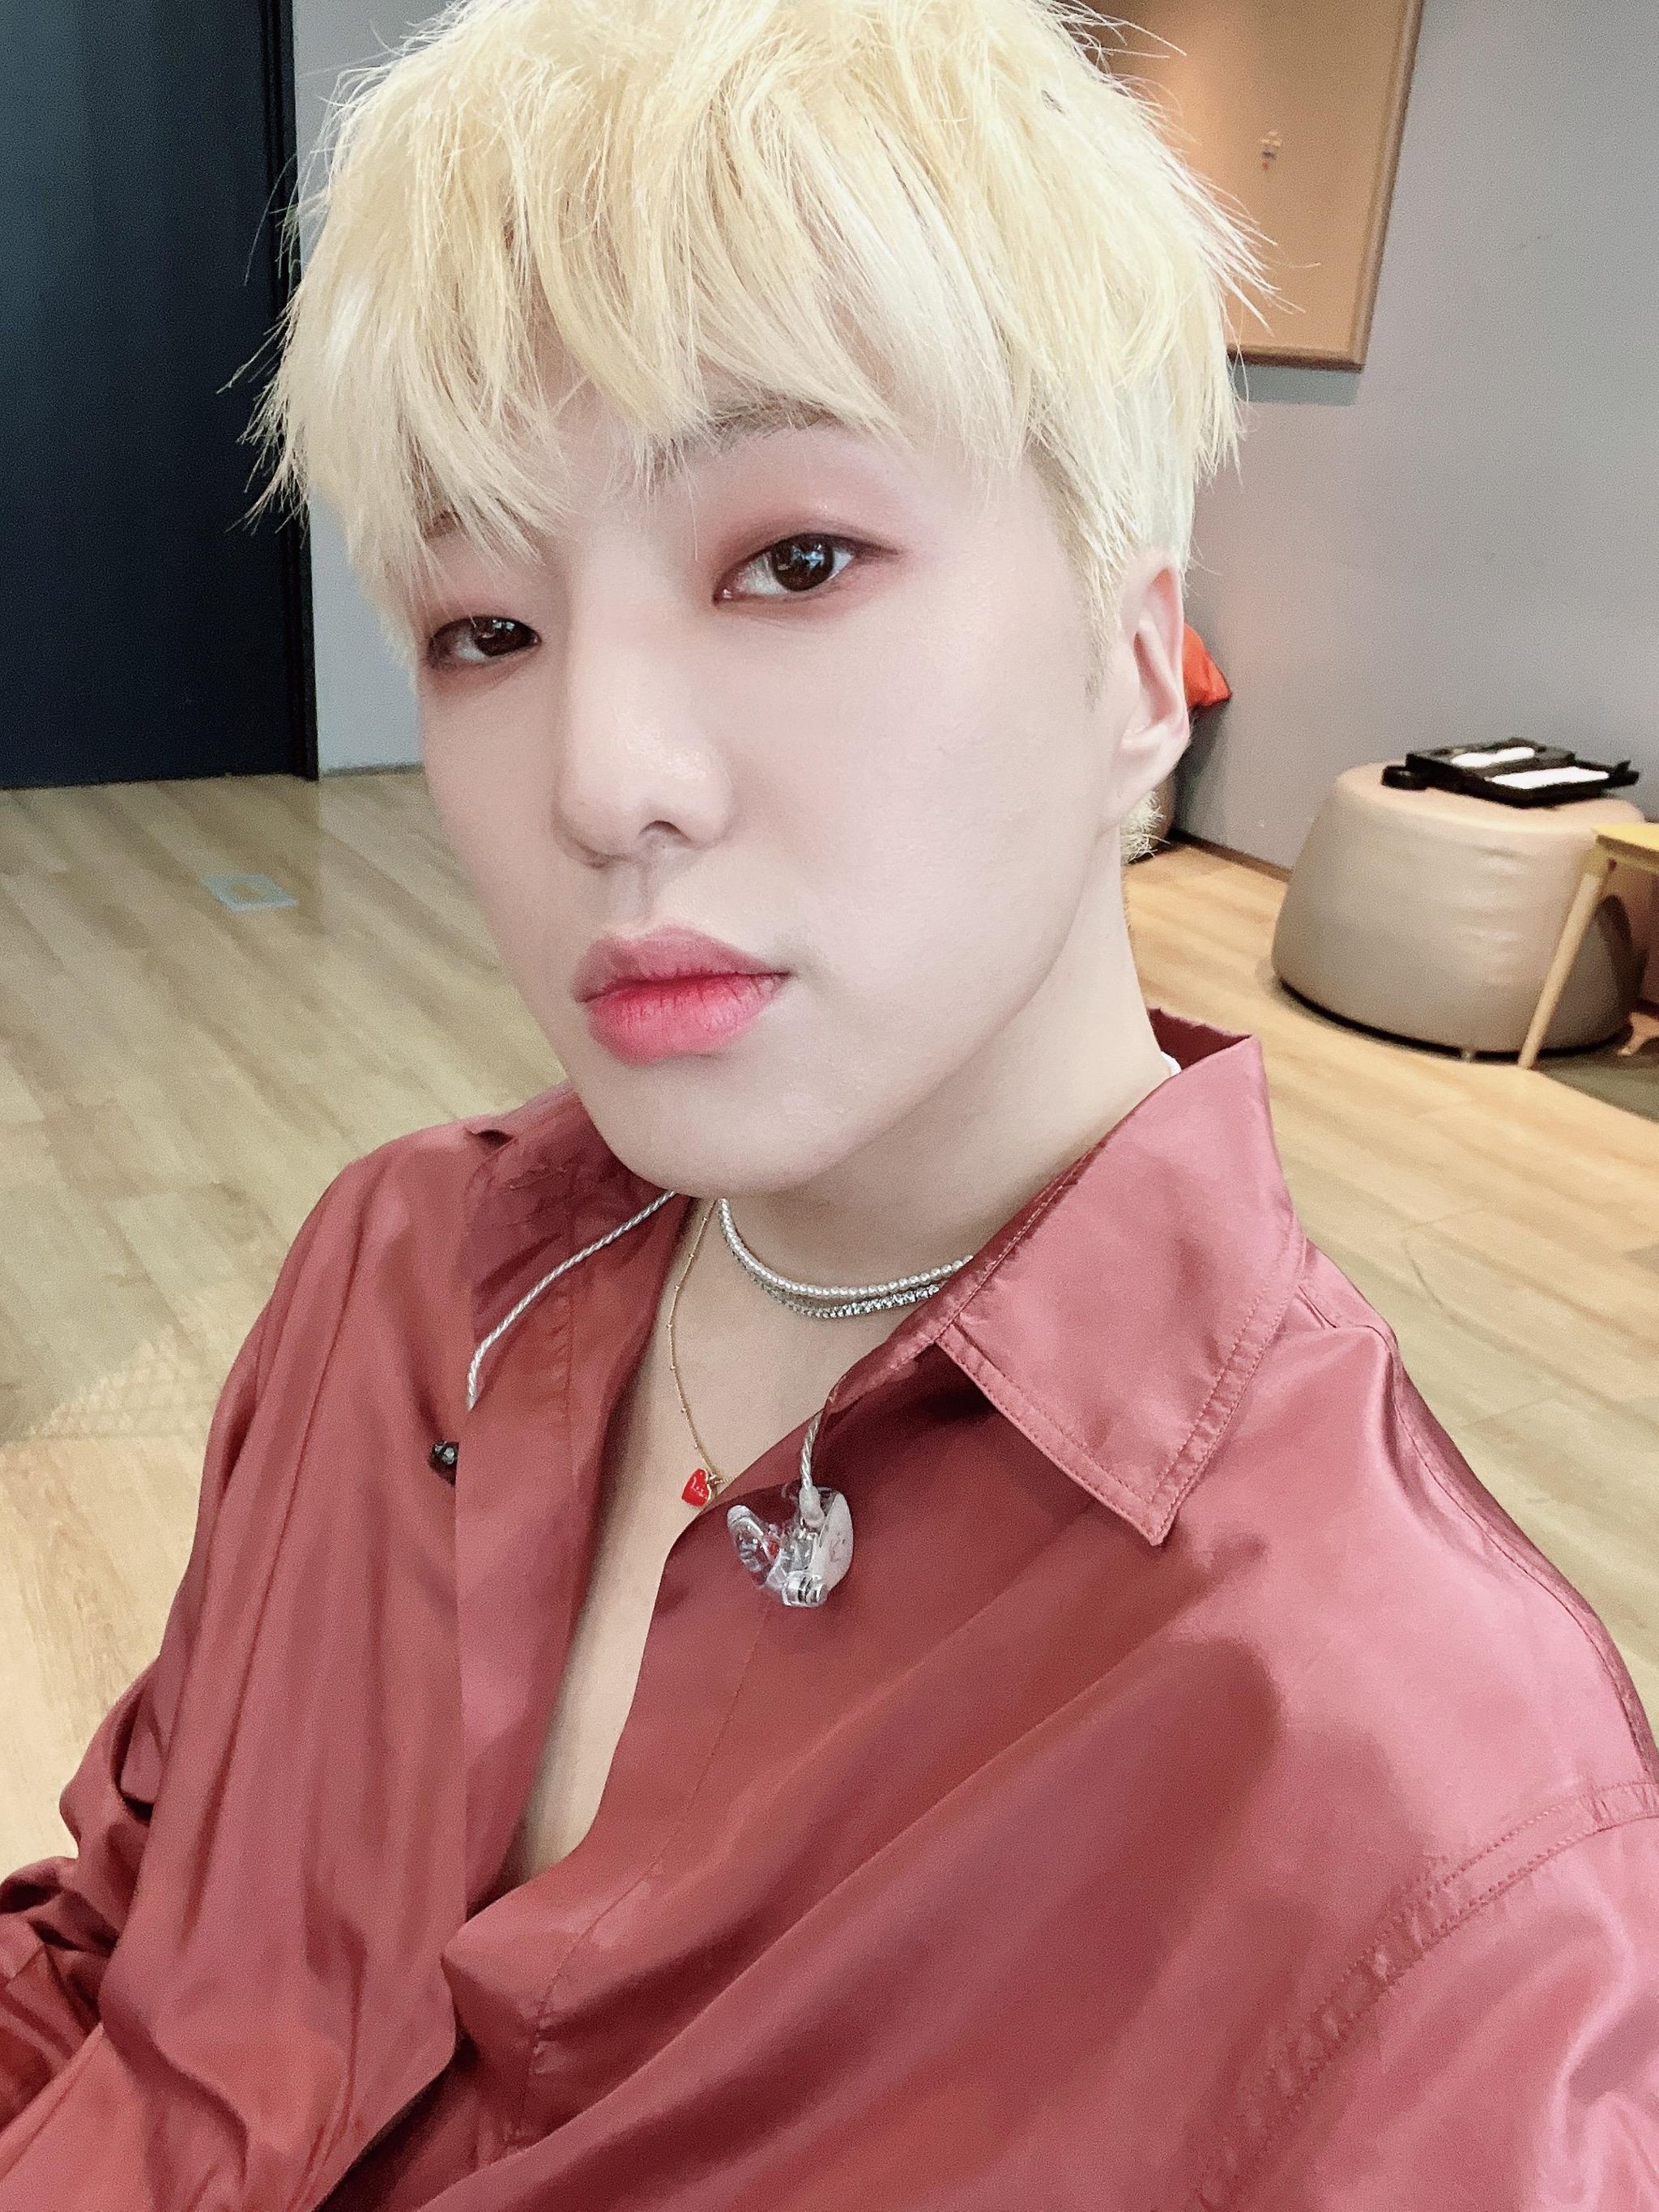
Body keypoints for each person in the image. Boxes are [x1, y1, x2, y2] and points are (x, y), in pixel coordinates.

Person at [2, 0, 1657, 2201]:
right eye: (486, 627)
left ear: (1136, 669)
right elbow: (128, 1962)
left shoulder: (1427, 1833)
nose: (604, 783)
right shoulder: (398, 1274)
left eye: (792, 562)